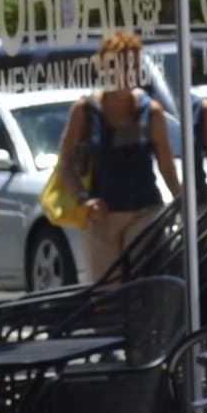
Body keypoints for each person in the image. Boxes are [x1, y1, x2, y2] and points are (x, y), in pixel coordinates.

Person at [58, 31, 181, 284]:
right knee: (107, 299)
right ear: (103, 68)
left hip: (144, 212)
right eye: (116, 65)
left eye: (131, 65)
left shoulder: (151, 111)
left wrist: (184, 205)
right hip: (102, 219)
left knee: (142, 291)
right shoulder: (85, 110)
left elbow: (167, 167)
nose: (124, 72)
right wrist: (84, 200)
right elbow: (65, 164)